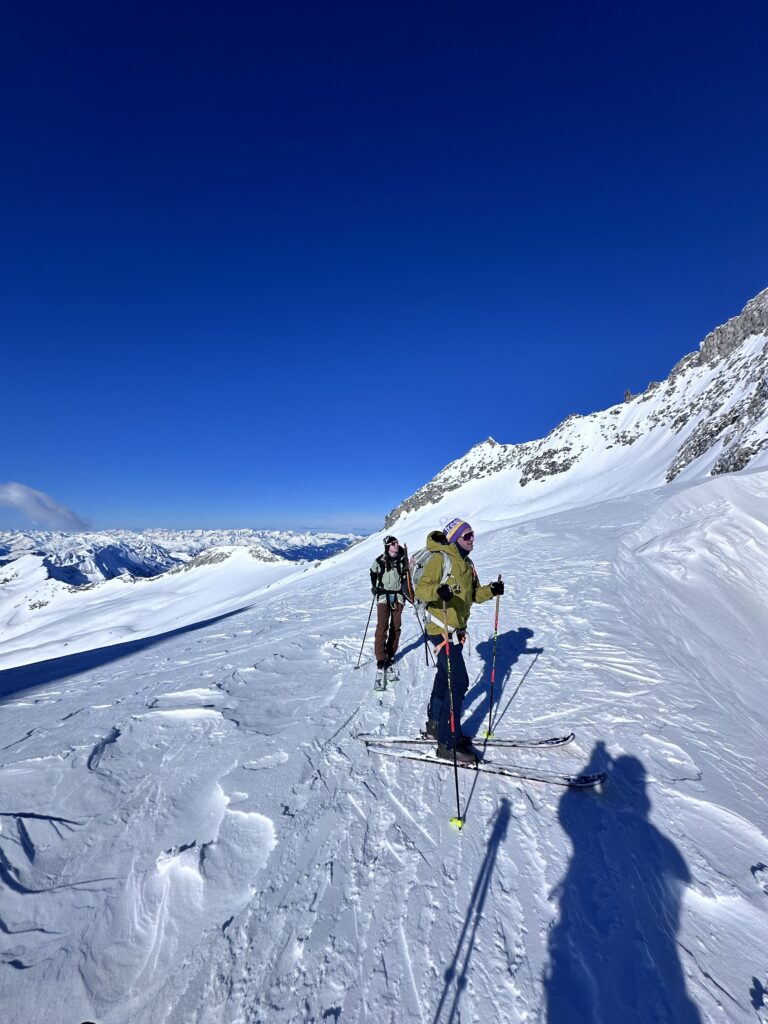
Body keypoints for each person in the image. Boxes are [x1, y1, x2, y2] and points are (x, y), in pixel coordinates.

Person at [415, 517, 504, 762]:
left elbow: (473, 594)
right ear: (455, 538)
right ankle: (447, 742)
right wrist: (437, 591)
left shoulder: (468, 563)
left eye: (472, 534)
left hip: (455, 631)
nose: (472, 538)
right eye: (467, 536)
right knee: (459, 681)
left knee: (446, 676)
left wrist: (491, 590)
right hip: (439, 627)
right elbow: (422, 589)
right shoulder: (439, 559)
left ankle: (436, 724)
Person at [369, 535, 408, 690]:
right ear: (387, 546)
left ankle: (390, 655)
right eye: (393, 544)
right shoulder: (380, 561)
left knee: (396, 626)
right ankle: (381, 658)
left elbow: (407, 576)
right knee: (382, 627)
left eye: (397, 543)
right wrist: (374, 586)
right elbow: (372, 573)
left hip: (398, 596)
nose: (396, 545)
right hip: (384, 596)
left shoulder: (402, 560)